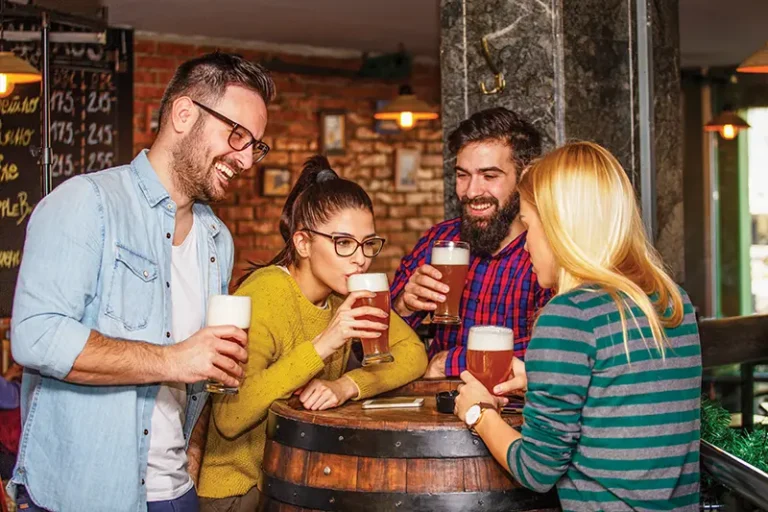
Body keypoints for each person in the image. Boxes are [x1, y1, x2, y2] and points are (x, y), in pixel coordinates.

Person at [8, 51, 276, 512]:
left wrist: (191, 455)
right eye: (237, 135)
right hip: (84, 495)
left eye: (256, 145)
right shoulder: (86, 203)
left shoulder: (218, 238)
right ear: (184, 113)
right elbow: (35, 337)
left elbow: (203, 372)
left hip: (175, 493)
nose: (247, 158)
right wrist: (173, 360)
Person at [455, 141, 702, 510]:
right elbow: (623, 399)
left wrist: (478, 412)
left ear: (560, 229)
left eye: (529, 225)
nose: (524, 245)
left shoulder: (568, 315)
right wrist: (539, 379)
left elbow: (536, 470)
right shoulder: (671, 299)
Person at [197, 156, 428, 511]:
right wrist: (324, 344)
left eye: (368, 244)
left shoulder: (346, 293)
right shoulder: (266, 293)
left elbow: (413, 353)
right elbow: (230, 417)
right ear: (303, 244)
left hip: (299, 481)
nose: (361, 259)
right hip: (240, 492)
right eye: (344, 243)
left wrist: (345, 386)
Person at [391, 107, 552, 378]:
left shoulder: (546, 249)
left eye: (489, 176)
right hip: (434, 411)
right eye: (463, 175)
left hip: (512, 414)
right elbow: (369, 348)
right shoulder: (439, 240)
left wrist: (448, 363)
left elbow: (552, 352)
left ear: (523, 177)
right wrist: (403, 306)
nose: (471, 192)